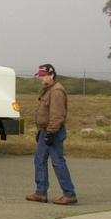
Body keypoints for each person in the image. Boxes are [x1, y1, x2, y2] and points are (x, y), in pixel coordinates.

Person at [25, 63, 77, 205]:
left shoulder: (56, 91)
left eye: (43, 76)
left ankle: (69, 194)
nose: (41, 79)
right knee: (39, 160)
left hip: (53, 131)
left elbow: (57, 114)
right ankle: (40, 193)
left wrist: (51, 133)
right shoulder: (48, 90)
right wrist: (41, 131)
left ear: (51, 75)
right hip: (45, 131)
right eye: (40, 76)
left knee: (58, 162)